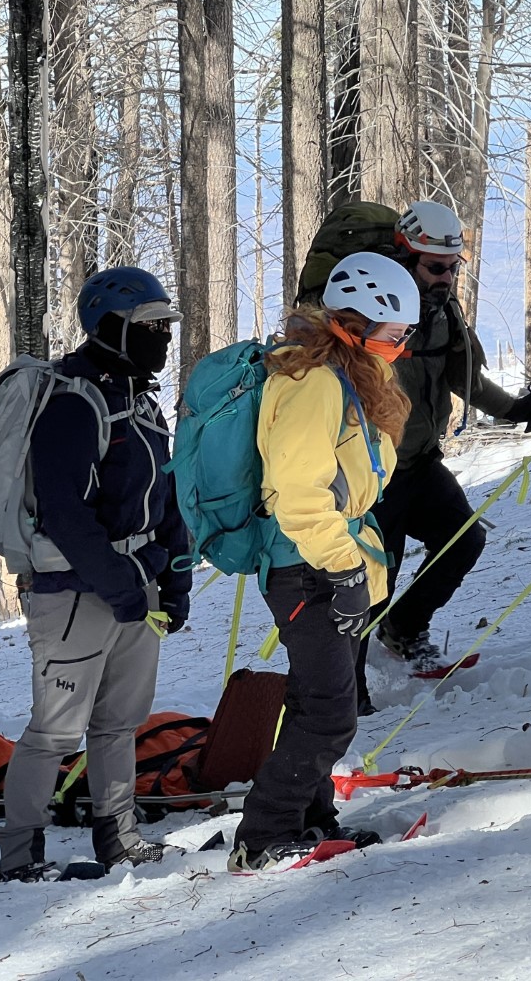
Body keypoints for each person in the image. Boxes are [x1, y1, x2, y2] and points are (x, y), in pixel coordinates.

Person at [0, 266, 192, 882]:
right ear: (110, 325)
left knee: (119, 725)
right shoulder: (73, 401)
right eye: (151, 325)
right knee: (56, 730)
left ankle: (119, 838)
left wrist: (174, 580)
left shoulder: (141, 401)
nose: (164, 336)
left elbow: (166, 499)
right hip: (74, 592)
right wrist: (122, 586)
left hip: (134, 586)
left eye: (165, 325)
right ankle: (19, 855)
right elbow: (64, 511)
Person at [229, 252, 418, 873]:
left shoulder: (345, 378)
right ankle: (263, 836)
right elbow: (298, 491)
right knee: (332, 712)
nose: (400, 348)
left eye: (406, 336)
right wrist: (343, 570)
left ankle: (311, 819)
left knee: (318, 701)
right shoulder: (312, 383)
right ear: (355, 325)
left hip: (326, 561)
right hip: (307, 566)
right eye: (393, 335)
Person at [360, 200, 531, 693]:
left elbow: (467, 379)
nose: (446, 278)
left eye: (452, 267)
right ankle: (346, 690)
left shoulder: (443, 315)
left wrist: (518, 409)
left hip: (419, 464)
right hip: (372, 474)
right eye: (435, 268)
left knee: (464, 539)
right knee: (373, 580)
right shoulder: (368, 315)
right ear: (405, 258)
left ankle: (403, 630)